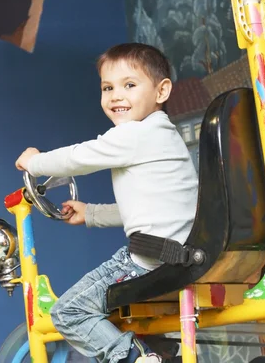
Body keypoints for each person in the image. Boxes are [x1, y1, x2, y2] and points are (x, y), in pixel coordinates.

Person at [15, 43, 198, 363]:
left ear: (161, 90)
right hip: (176, 253)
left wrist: (36, 162)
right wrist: (92, 214)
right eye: (107, 88)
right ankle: (161, 352)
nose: (116, 96)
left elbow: (76, 158)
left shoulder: (135, 135)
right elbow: (154, 211)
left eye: (129, 85)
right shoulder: (165, 136)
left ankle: (134, 357)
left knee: (69, 312)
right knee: (114, 311)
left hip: (149, 259)